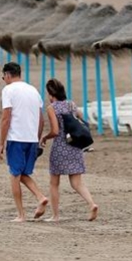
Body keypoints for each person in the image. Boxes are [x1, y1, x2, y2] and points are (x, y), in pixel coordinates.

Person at [39, 79, 98, 222]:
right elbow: (81, 118)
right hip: (75, 146)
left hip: (60, 148)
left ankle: (55, 216)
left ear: (51, 94)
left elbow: (55, 130)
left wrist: (44, 138)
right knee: (77, 183)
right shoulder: (71, 104)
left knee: (54, 183)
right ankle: (92, 204)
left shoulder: (52, 108)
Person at [0, 62, 49, 222]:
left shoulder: (8, 90)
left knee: (14, 174)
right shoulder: (33, 90)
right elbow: (41, 119)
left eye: (3, 77)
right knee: (23, 173)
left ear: (7, 75)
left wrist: (1, 142)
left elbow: (6, 118)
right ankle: (40, 197)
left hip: (16, 138)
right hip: (31, 139)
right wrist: (37, 138)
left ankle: (21, 214)